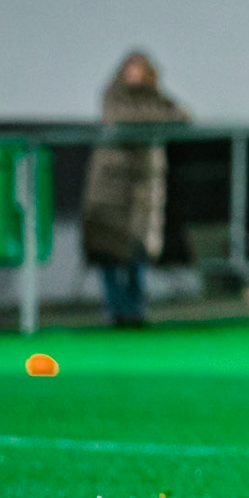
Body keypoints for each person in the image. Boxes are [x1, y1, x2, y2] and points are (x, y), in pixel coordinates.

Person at [82, 53, 190, 329]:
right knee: (108, 249)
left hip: (144, 190)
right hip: (109, 188)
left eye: (141, 70)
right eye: (131, 69)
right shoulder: (113, 95)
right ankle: (115, 311)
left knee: (137, 252)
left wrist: (154, 117)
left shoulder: (157, 97)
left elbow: (181, 116)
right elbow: (123, 119)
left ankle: (135, 311)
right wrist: (154, 120)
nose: (135, 75)